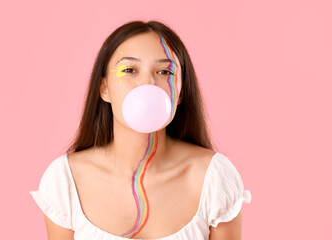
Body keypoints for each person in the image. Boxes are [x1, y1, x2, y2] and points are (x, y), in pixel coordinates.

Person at [30, 20, 252, 240]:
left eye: (165, 72)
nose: (148, 83)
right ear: (104, 88)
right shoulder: (66, 180)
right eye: (130, 69)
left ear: (181, 92)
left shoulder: (213, 178)